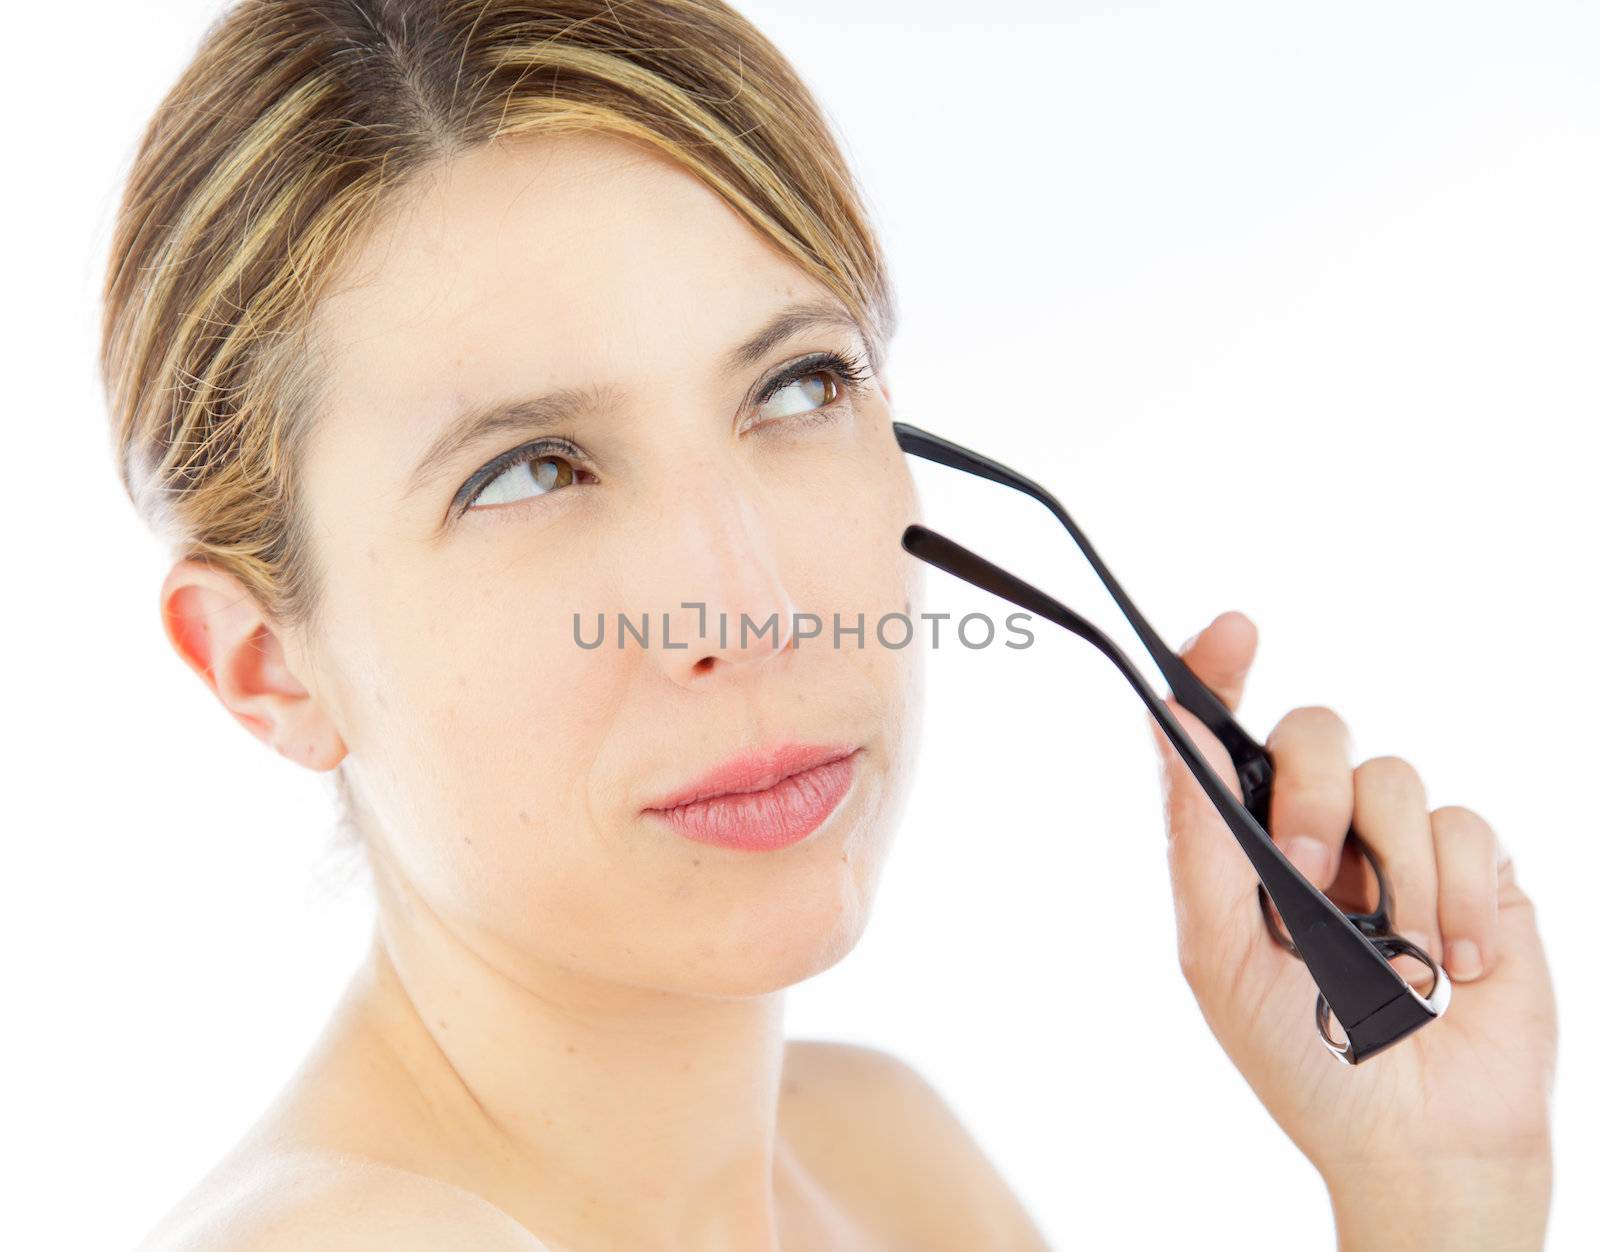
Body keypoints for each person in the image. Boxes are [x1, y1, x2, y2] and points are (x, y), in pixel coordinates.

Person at [101, 2, 1556, 1249]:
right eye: (529, 471)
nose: (758, 603)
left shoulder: (884, 1158)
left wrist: (1435, 1191)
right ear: (264, 664)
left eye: (796, 388)